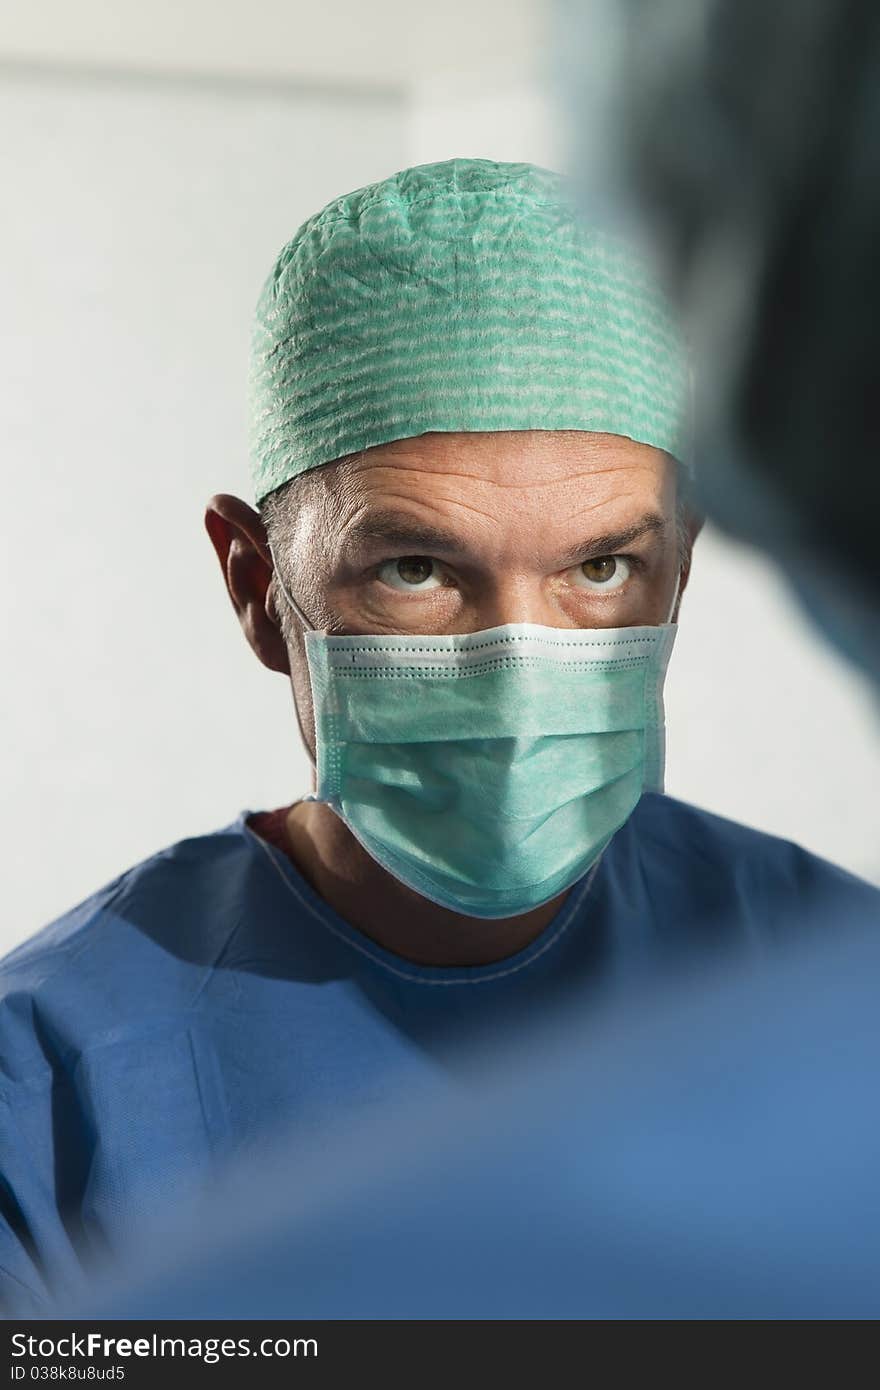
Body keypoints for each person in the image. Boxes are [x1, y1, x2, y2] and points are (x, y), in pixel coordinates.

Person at [2, 157, 876, 1316]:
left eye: (600, 565)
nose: (519, 664)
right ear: (256, 584)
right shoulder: (58, 1084)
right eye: (416, 569)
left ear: (682, 564)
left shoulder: (835, 992)